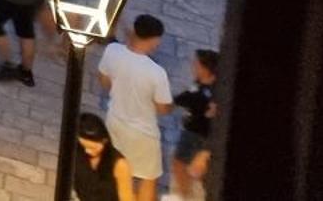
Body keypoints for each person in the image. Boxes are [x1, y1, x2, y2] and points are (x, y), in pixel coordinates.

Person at [99, 14, 172, 200]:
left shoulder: (112, 50)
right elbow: (163, 109)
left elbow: (104, 81)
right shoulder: (157, 73)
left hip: (114, 122)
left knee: (117, 171)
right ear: (155, 40)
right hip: (143, 134)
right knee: (148, 179)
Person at [170, 48, 218, 200]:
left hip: (196, 136)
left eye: (196, 63)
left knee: (181, 166)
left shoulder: (207, 94)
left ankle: (183, 196)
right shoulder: (202, 85)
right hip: (193, 132)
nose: (193, 65)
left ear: (205, 69)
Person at [71, 112, 135, 201]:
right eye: (84, 146)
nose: (87, 151)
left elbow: (126, 198)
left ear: (104, 141)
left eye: (93, 148)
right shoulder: (77, 153)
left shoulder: (119, 164)